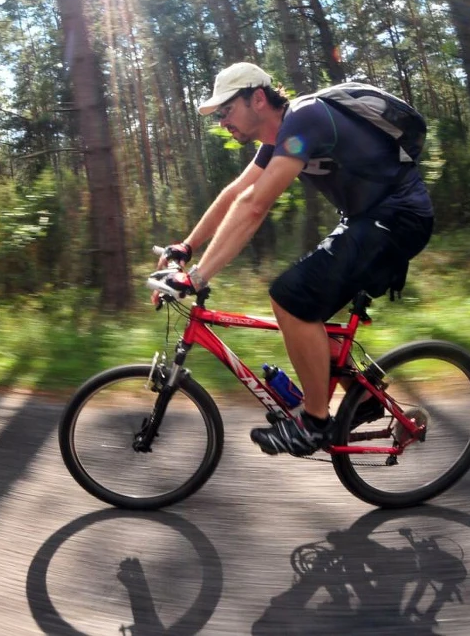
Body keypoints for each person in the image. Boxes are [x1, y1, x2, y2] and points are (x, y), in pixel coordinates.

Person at [155, 62, 433, 456]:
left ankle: (314, 424)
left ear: (257, 98)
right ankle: (364, 398)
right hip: (367, 222)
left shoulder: (308, 119)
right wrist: (186, 247)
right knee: (307, 311)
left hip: (398, 219)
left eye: (226, 111)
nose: (222, 122)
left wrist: (197, 278)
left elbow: (255, 206)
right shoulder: (283, 137)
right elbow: (238, 191)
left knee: (291, 296)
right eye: (217, 116)